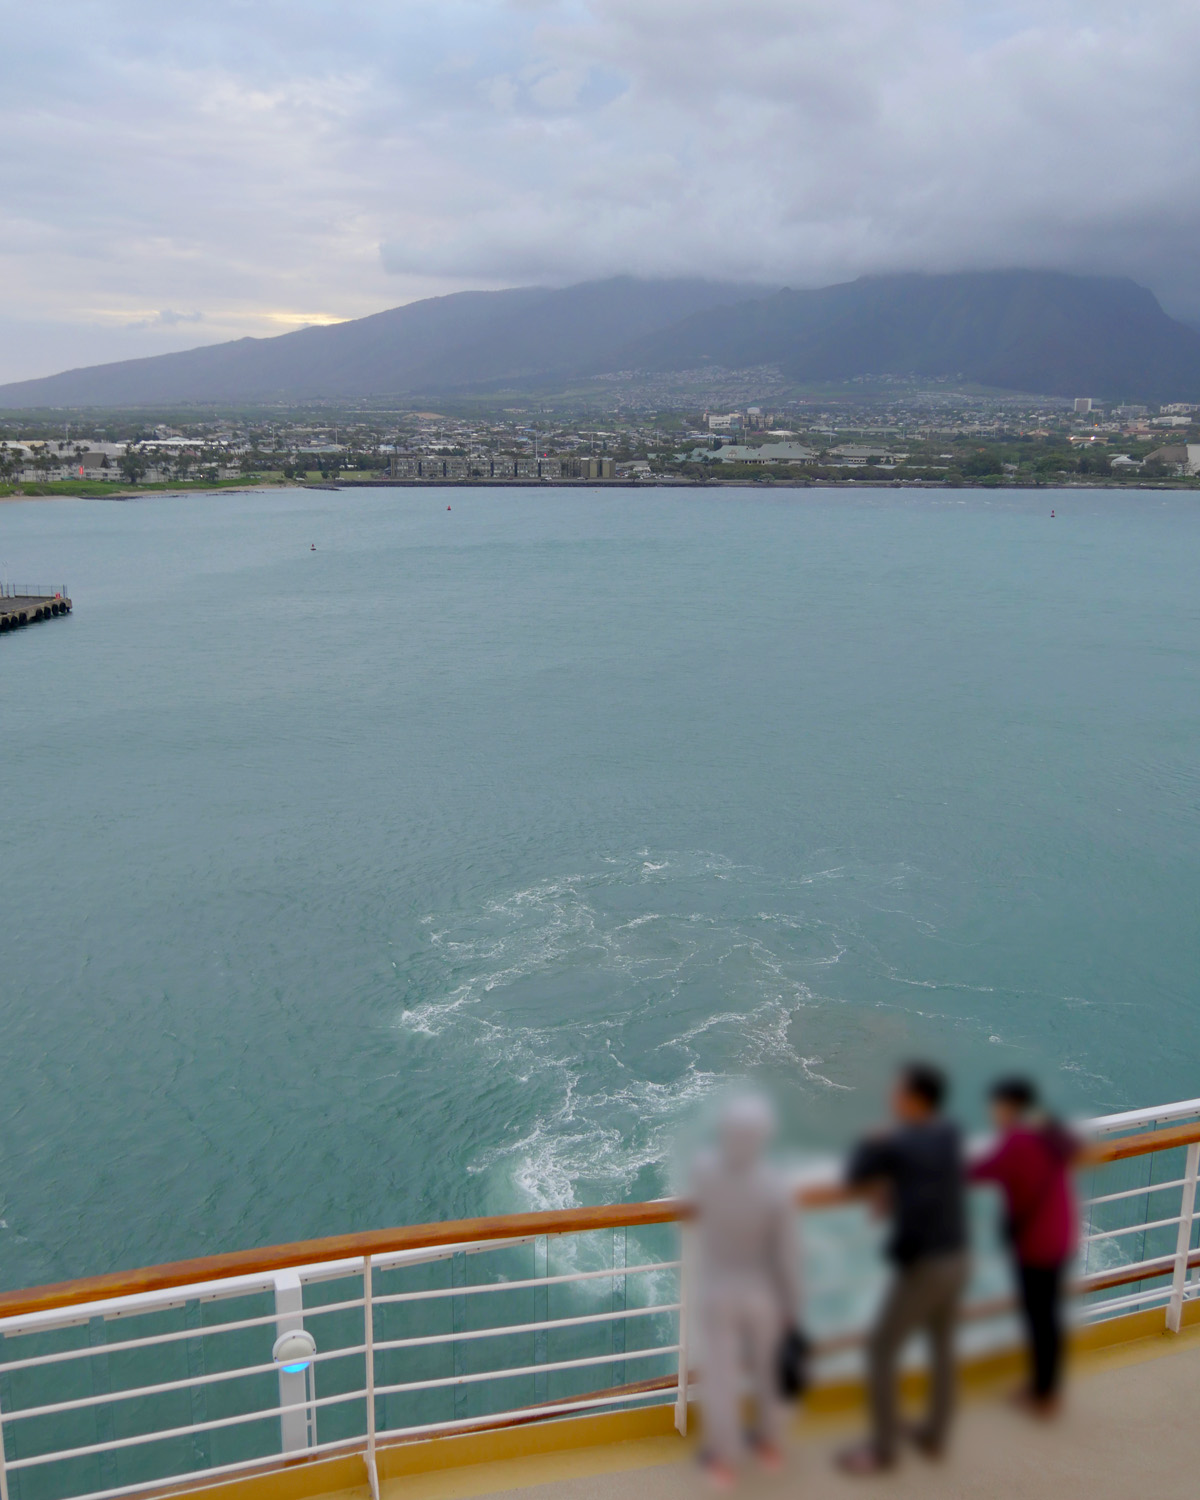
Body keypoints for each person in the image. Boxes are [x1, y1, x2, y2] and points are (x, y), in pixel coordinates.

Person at [838, 1062, 967, 1476]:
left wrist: (875, 1139)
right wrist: (896, 1188)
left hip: (925, 1266)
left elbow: (854, 1174)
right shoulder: (948, 1135)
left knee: (880, 1351)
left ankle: (883, 1450)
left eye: (898, 1092)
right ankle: (934, 1433)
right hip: (958, 1256)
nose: (891, 1097)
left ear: (914, 1099)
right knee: (942, 1344)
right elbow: (925, 1175)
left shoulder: (898, 1143)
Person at [692, 1095, 802, 1488]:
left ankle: (724, 1462)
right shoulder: (775, 1185)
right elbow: (787, 1254)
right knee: (768, 1374)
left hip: (719, 1287)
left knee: (720, 1380)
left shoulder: (706, 1170)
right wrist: (793, 1306)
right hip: (762, 1291)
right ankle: (770, 1447)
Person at [971, 1077, 1077, 1416]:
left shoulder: (1017, 1141)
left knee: (1039, 1318)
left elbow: (982, 1170)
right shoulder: (1049, 1133)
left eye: (997, 1106)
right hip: (1061, 1235)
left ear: (1008, 1108)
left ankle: (1043, 1393)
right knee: (1047, 1316)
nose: (993, 1113)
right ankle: (1044, 1387)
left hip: (1036, 1244)